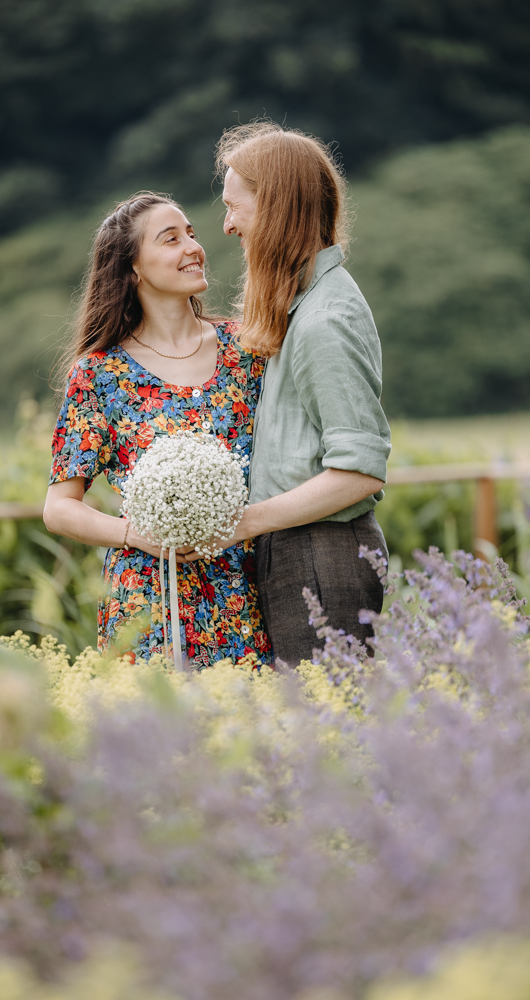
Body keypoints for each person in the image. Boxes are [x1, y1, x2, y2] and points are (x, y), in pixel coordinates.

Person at [43, 192, 271, 669]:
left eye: (192, 233)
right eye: (171, 239)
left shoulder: (248, 348)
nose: (193, 247)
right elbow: (60, 510)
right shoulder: (100, 374)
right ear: (134, 269)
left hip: (247, 588)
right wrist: (136, 534)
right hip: (148, 599)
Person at [216, 123, 391, 665]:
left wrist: (248, 521)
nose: (226, 226)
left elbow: (359, 471)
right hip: (306, 550)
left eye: (233, 207)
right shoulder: (305, 307)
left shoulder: (322, 321)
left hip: (322, 556)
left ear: (273, 209)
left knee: (332, 734)